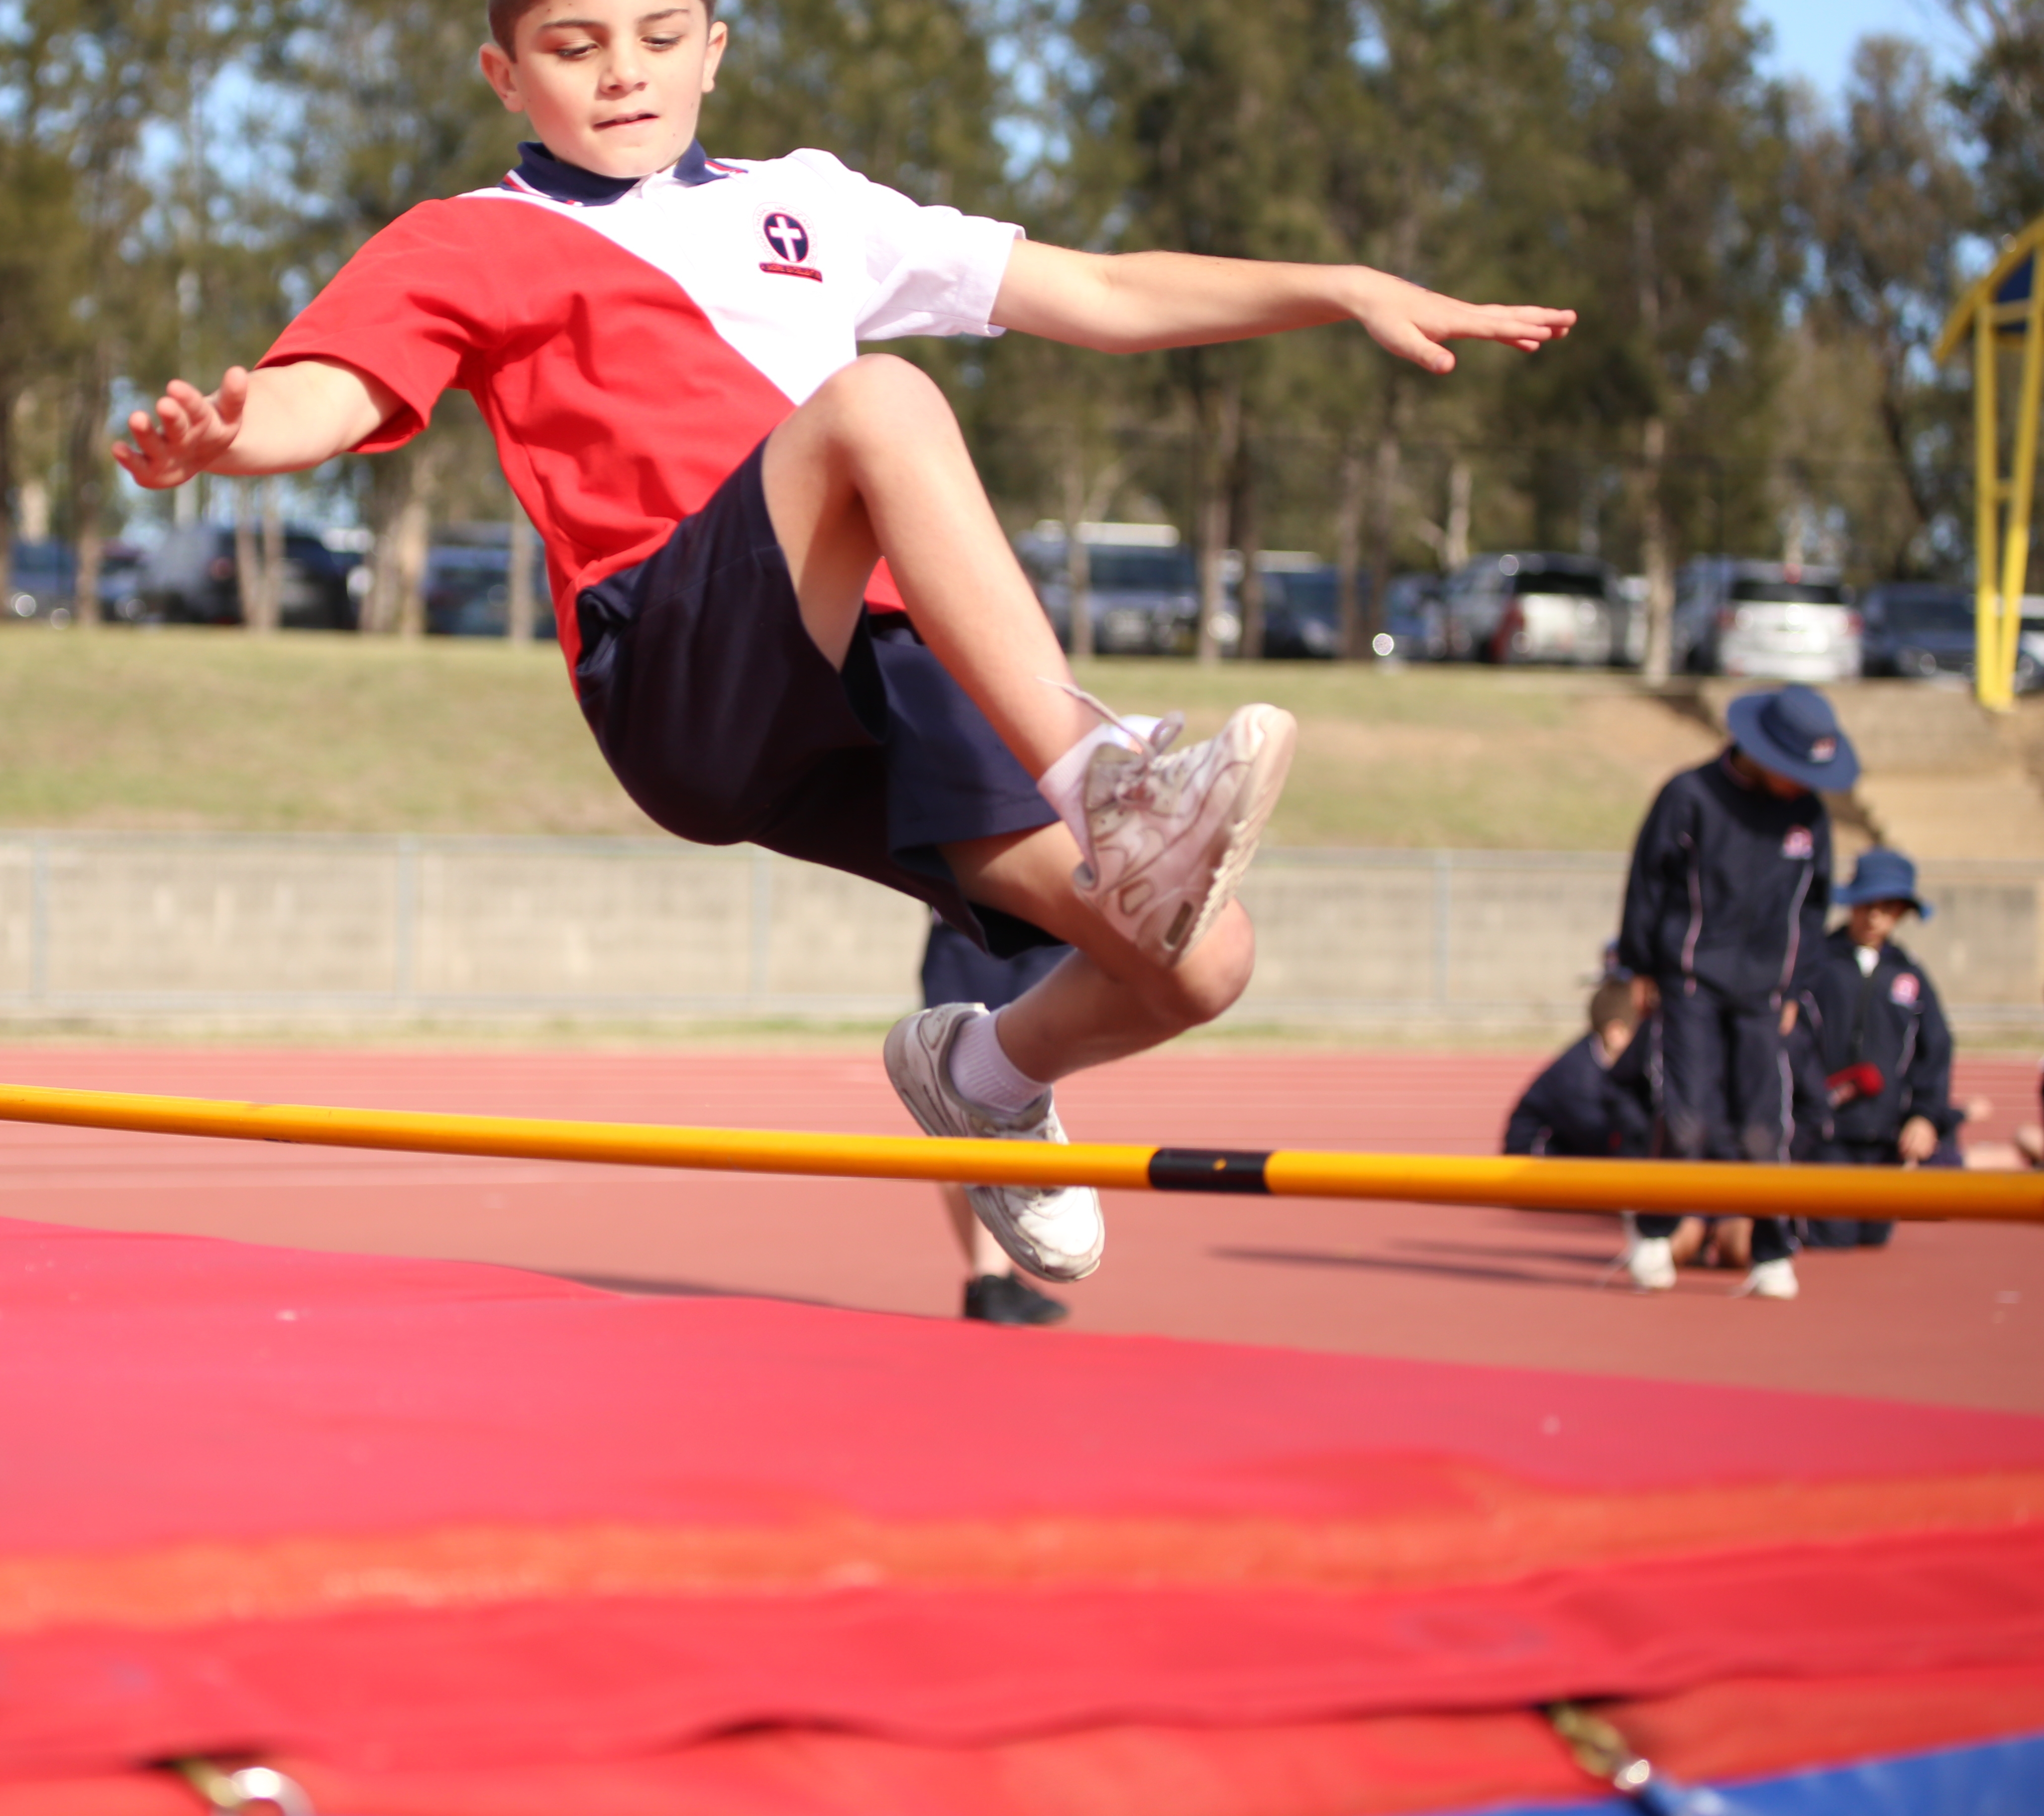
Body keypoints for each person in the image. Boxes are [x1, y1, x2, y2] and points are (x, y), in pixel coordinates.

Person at [112, 0, 1572, 1281]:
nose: (623, 74)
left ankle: (986, 1074)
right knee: (881, 408)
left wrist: (1339, 287)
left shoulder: (810, 204)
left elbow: (1109, 293)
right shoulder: (475, 239)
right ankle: (1108, 782)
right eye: (574, 47)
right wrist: (235, 445)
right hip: (678, 664)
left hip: (879, 673)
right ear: (505, 74)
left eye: (660, 37)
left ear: (715, 48)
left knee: (1201, 959)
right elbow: (334, 388)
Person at [1614, 685, 1855, 1300]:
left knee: (1762, 1129)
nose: (1803, 784)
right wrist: (1640, 965)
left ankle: (1773, 1251)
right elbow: (1647, 882)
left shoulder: (1808, 817)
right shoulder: (1690, 796)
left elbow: (1812, 908)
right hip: (1691, 978)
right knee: (1687, 1119)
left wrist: (1795, 985)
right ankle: (1654, 1229)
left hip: (1766, 992)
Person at [1795, 847, 1960, 1248]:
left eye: (1888, 908)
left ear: (1902, 913)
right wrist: (1814, 1101)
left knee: (1872, 1238)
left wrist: (1924, 1117)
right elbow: (1794, 1039)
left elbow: (1935, 1050)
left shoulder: (1909, 974)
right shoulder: (1817, 964)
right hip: (1826, 1131)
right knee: (1830, 1238)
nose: (1874, 917)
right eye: (1867, 905)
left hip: (1883, 1135)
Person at [918, 915, 1073, 1325]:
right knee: (992, 1106)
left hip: (970, 924)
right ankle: (990, 1277)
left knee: (959, 1113)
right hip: (1007, 928)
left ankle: (990, 1277)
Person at [1504, 974, 1652, 1160]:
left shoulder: (1606, 1061)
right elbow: (1602, 1139)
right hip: (1532, 1165)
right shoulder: (1579, 1079)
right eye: (1641, 1029)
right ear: (1616, 1033)